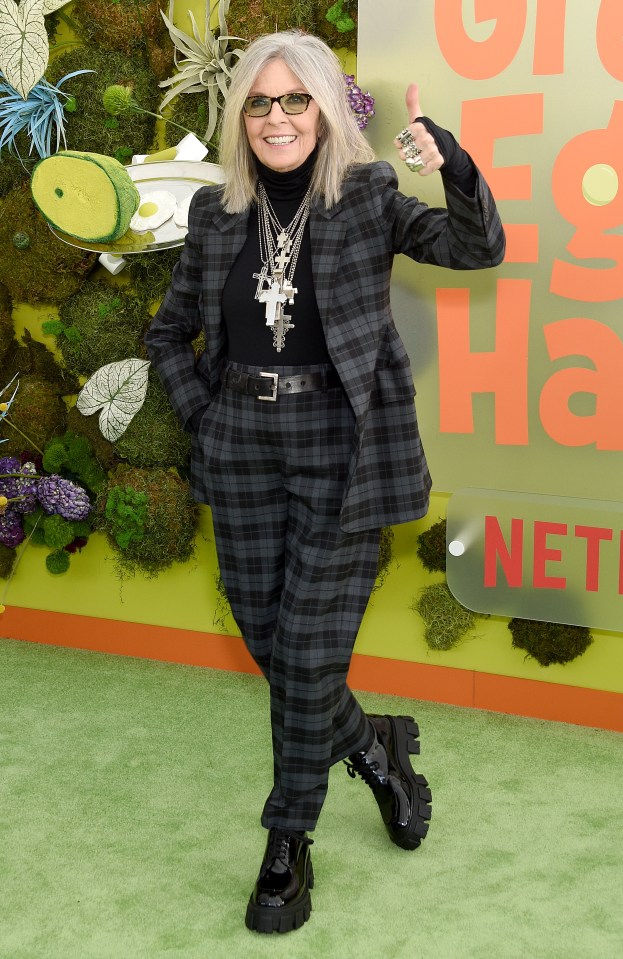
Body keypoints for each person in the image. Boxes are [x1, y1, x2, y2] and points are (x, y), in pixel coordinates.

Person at [145, 29, 505, 935]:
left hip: (342, 447)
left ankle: (286, 840)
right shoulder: (216, 215)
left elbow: (477, 249)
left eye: (294, 100)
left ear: (321, 109)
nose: (276, 117)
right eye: (259, 103)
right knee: (276, 647)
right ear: (242, 117)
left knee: (304, 658)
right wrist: (205, 418)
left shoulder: (369, 196)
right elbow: (167, 335)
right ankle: (375, 751)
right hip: (242, 446)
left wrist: (449, 160)